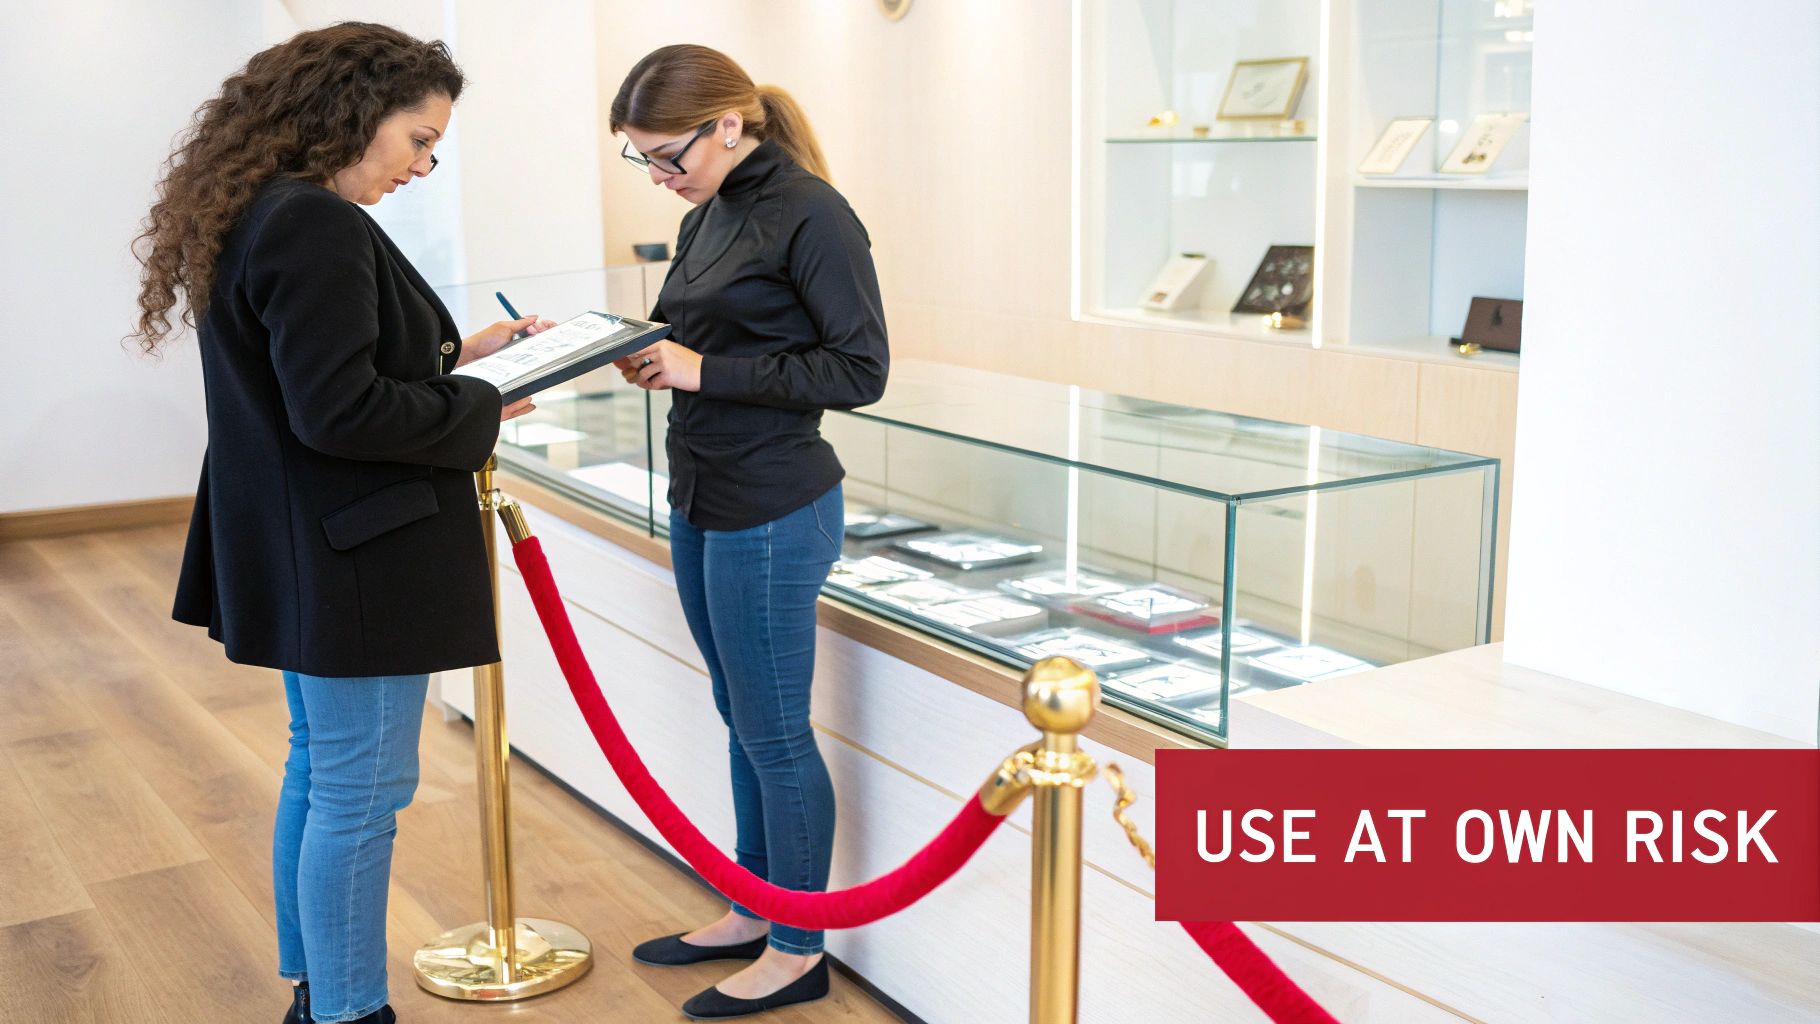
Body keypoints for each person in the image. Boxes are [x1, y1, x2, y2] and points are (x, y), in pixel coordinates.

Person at [130, 23, 549, 1024]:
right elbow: (340, 412)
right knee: (360, 794)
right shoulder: (311, 222)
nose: (423, 163)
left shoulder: (262, 211)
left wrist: (462, 354)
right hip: (357, 551)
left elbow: (324, 376)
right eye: (418, 137)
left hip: (311, 542)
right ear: (351, 115)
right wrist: (484, 399)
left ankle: (319, 984)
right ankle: (348, 1010)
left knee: (323, 770)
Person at [610, 43, 889, 1021]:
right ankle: (752, 903)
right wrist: (645, 354)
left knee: (772, 731)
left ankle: (797, 945)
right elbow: (696, 334)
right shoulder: (709, 210)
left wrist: (700, 371)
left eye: (665, 155)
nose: (657, 176)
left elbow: (858, 371)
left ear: (727, 126)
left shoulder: (813, 212)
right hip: (700, 488)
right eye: (638, 159)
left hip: (774, 502)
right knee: (740, 713)